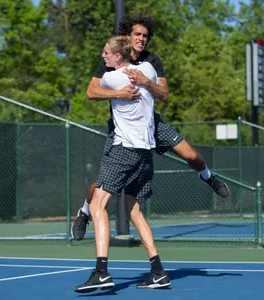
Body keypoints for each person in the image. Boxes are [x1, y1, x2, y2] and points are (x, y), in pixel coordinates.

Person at [72, 14, 229, 241]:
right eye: (137, 34)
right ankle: (85, 212)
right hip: (122, 130)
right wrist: (120, 93)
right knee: (102, 184)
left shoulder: (152, 61)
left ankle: (208, 177)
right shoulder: (113, 58)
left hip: (151, 125)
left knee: (192, 154)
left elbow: (164, 94)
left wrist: (146, 81)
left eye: (145, 36)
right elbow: (91, 92)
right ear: (127, 35)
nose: (142, 39)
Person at [74, 36, 170, 293]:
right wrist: (145, 84)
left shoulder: (112, 78)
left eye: (106, 53)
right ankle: (158, 271)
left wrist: (116, 93)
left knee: (97, 205)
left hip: (124, 149)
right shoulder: (148, 70)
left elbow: (91, 91)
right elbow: (163, 93)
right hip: (145, 154)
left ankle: (101, 272)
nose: (102, 57)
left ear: (118, 56)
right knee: (134, 211)